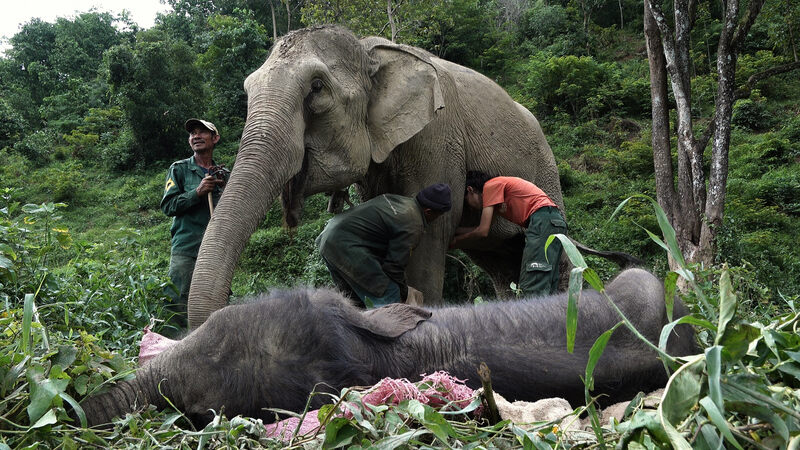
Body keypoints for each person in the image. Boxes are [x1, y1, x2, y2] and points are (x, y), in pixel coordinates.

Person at [316, 184, 452, 308]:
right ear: (428, 211)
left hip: (327, 238)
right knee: (389, 294)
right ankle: (390, 334)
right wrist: (404, 292)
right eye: (438, 215)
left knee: (354, 303)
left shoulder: (400, 201)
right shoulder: (413, 223)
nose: (437, 219)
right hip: (344, 245)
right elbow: (393, 267)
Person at [450, 171, 567, 297]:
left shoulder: (490, 186)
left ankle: (531, 315)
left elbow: (482, 232)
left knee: (533, 280)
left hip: (542, 221)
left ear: (470, 190)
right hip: (555, 222)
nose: (470, 207)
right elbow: (484, 228)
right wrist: (455, 231)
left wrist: (456, 241)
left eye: (466, 200)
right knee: (549, 279)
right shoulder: (498, 190)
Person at [161, 118, 230, 329]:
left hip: (217, 247)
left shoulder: (224, 175)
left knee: (218, 296)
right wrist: (197, 193)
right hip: (187, 246)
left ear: (215, 138)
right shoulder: (179, 169)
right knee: (178, 299)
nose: (196, 136)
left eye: (202, 132)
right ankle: (173, 347)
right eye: (192, 134)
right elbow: (169, 206)